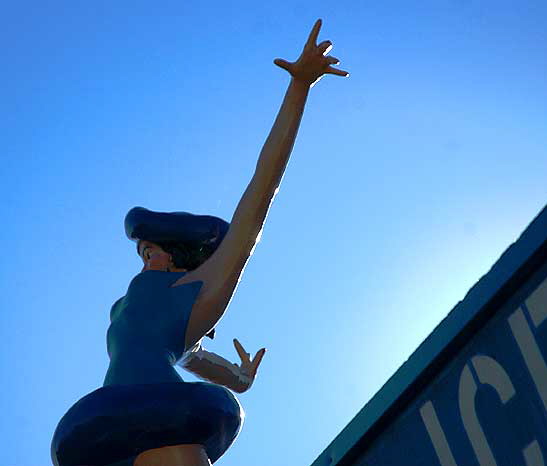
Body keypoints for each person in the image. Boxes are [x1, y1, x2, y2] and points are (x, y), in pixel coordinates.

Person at [51, 19, 347, 466]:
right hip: (116, 414)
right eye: (140, 251)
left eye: (151, 249)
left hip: (167, 414)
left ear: (177, 255)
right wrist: (241, 377)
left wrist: (298, 89)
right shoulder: (130, 307)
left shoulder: (195, 293)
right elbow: (201, 361)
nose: (144, 257)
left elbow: (257, 200)